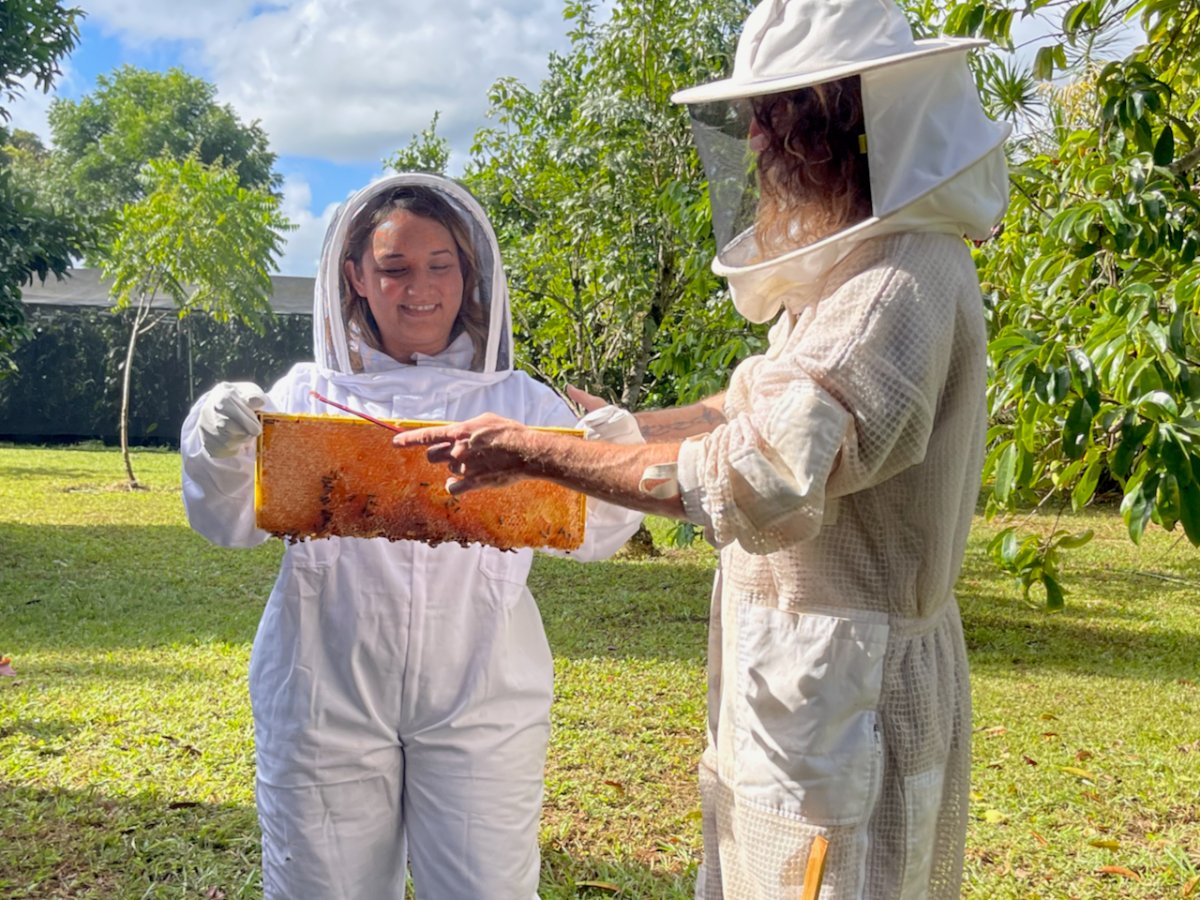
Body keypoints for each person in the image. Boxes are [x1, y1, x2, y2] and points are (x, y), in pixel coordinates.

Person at [393, 1, 1012, 898]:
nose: (757, 138)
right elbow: (750, 401)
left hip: (851, 692)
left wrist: (531, 451)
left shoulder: (896, 281)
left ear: (847, 121)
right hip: (800, 683)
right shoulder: (846, 274)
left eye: (780, 115)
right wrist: (630, 428)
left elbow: (761, 474)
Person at [180, 173, 644, 900]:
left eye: (440, 266)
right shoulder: (305, 394)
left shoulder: (520, 401)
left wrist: (611, 451)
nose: (418, 288)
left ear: (469, 273)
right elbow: (226, 520)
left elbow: (599, 533)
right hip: (323, 685)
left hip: (484, 689)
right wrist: (218, 444)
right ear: (356, 276)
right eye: (394, 268)